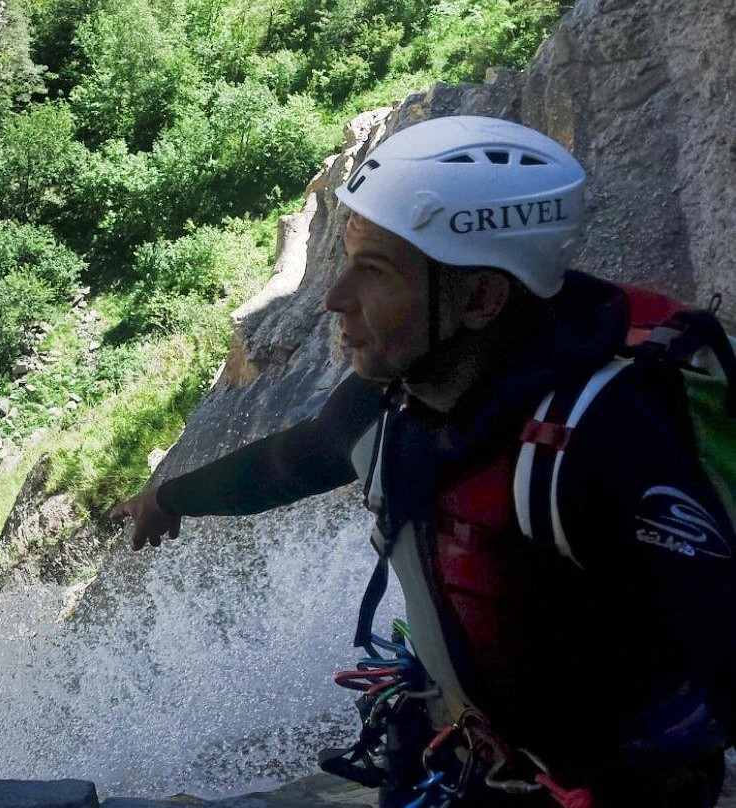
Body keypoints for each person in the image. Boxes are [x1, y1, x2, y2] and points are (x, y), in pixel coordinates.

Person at [112, 116, 736, 808]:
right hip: (470, 761)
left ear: (478, 298)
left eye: (372, 270)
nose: (333, 297)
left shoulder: (609, 437)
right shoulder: (399, 394)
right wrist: (169, 499)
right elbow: (301, 459)